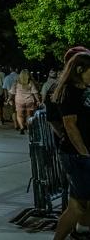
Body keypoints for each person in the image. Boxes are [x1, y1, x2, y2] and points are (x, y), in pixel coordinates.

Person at [51, 51, 90, 240]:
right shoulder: (69, 91)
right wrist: (84, 153)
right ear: (80, 69)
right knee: (77, 205)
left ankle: (83, 229)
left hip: (80, 155)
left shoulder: (84, 89)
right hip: (76, 156)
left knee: (81, 202)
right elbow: (70, 125)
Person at [10, 69, 40, 134]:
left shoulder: (16, 82)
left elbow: (12, 92)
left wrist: (9, 99)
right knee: (29, 115)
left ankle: (22, 127)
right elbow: (35, 92)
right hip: (29, 100)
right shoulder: (30, 82)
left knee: (19, 115)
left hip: (19, 101)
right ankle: (29, 128)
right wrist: (38, 100)